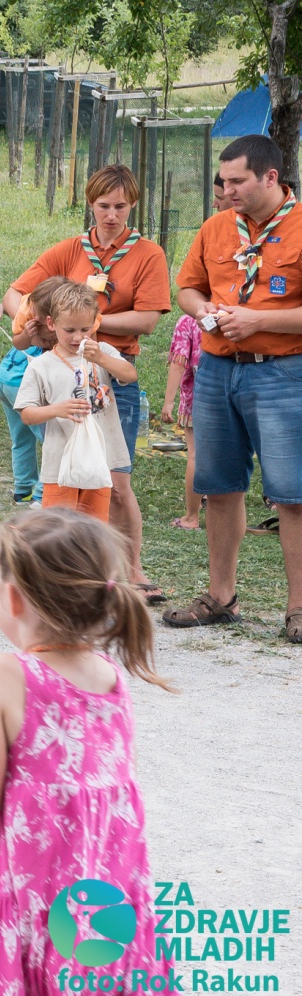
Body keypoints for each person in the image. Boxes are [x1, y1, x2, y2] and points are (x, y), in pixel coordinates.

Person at [0, 508, 173, 996]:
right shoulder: (110, 678)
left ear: (13, 598)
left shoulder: (2, 673)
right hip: (108, 917)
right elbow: (69, 781)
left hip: (44, 910)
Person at [0, 164, 171, 604]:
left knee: (116, 482)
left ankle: (131, 569)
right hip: (63, 378)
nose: (111, 215)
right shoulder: (69, 249)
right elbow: (15, 294)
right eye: (103, 206)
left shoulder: (147, 254)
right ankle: (72, 573)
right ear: (90, 204)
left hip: (111, 373)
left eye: (121, 207)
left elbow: (148, 320)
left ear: (133, 205)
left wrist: (87, 325)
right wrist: (41, 324)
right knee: (67, 479)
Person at [169, 134, 302, 641]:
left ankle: (299, 608)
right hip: (218, 370)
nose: (226, 191)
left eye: (237, 181)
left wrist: (259, 320)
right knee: (218, 486)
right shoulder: (217, 227)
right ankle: (220, 597)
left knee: (292, 496)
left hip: (283, 373)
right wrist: (201, 308)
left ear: (271, 177)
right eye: (223, 181)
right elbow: (187, 286)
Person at [15, 283, 136, 522]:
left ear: (94, 324)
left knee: (94, 528)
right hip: (60, 466)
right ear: (51, 324)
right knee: (58, 528)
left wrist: (100, 358)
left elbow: (130, 375)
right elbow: (27, 414)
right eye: (69, 330)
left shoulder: (102, 352)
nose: (78, 337)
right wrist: (57, 410)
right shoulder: (41, 365)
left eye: (85, 329)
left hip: (98, 462)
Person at [0, 277, 68, 506]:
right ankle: (42, 493)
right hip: (22, 386)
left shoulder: (29, 317)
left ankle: (22, 489)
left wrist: (5, 311)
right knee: (51, 440)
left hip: (4, 379)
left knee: (21, 439)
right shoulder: (53, 333)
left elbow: (18, 341)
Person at [163, 313, 204, 530]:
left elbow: (178, 363)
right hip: (231, 397)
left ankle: (191, 517)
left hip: (196, 399)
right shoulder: (231, 313)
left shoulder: (188, 321)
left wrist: (168, 402)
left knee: (195, 455)